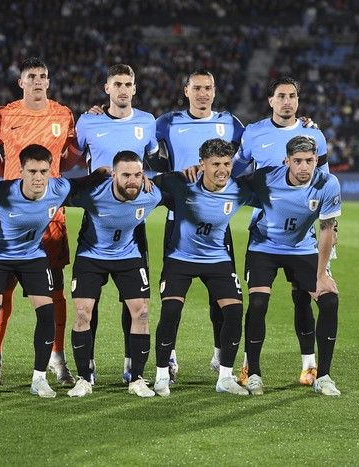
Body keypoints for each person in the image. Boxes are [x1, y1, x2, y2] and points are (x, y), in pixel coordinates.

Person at [0, 144, 108, 398]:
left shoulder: (58, 189)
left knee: (47, 314)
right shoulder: (2, 192)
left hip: (32, 255)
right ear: (21, 171)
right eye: (32, 171)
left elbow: (80, 184)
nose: (38, 177)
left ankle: (39, 379)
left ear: (50, 172)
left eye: (43, 171)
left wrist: (100, 173)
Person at [233, 76, 331, 387]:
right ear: (271, 100)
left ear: (298, 102)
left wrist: (330, 239)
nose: (287, 101)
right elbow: (234, 172)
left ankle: (309, 367)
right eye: (281, 96)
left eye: (292, 96)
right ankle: (249, 367)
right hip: (264, 234)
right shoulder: (253, 133)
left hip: (302, 238)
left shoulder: (314, 135)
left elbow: (324, 187)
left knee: (303, 300)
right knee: (258, 303)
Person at [0, 57, 79, 387]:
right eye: (32, 76)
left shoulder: (63, 114)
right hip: (11, 215)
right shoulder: (4, 114)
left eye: (43, 76)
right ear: (21, 82)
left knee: (55, 290)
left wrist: (52, 180)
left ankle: (57, 358)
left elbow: (72, 156)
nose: (38, 81)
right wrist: (8, 177)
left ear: (48, 81)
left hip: (51, 217)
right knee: (4, 290)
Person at [154, 68, 245, 381]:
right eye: (197, 88)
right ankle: (170, 359)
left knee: (220, 296)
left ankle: (221, 357)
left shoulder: (231, 123)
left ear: (215, 91)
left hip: (217, 219)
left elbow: (247, 157)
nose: (203, 93)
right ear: (186, 91)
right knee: (172, 299)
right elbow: (147, 155)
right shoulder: (167, 122)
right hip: (178, 219)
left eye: (208, 88)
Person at [75, 63, 159, 384]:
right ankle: (88, 367)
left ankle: (130, 365)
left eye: (128, 84)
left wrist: (145, 179)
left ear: (134, 89)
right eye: (117, 84)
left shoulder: (147, 122)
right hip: (96, 216)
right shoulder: (88, 122)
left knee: (134, 299)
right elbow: (72, 158)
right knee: (87, 302)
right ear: (107, 88)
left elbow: (149, 158)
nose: (123, 89)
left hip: (133, 220)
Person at [241, 135, 342, 397]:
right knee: (258, 303)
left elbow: (327, 230)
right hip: (264, 248)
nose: (304, 168)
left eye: (309, 161)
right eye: (297, 161)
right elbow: (227, 188)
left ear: (316, 160)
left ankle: (323, 376)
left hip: (302, 248)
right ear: (287, 161)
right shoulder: (265, 179)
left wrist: (321, 275)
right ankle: (253, 373)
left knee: (329, 300)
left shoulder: (327, 184)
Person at [152, 138, 253, 397]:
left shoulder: (238, 190)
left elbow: (275, 183)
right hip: (180, 258)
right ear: (202, 165)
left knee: (233, 311)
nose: (223, 170)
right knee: (171, 309)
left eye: (227, 164)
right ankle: (162, 374)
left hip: (217, 259)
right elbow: (145, 182)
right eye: (216, 164)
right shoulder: (179, 185)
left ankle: (225, 377)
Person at [66, 151, 163, 398]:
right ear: (114, 175)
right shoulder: (92, 195)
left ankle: (137, 379)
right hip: (91, 256)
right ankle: (83, 379)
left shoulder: (151, 196)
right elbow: (59, 192)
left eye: (138, 175)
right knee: (82, 314)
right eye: (126, 175)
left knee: (141, 313)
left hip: (128, 256)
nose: (133, 180)